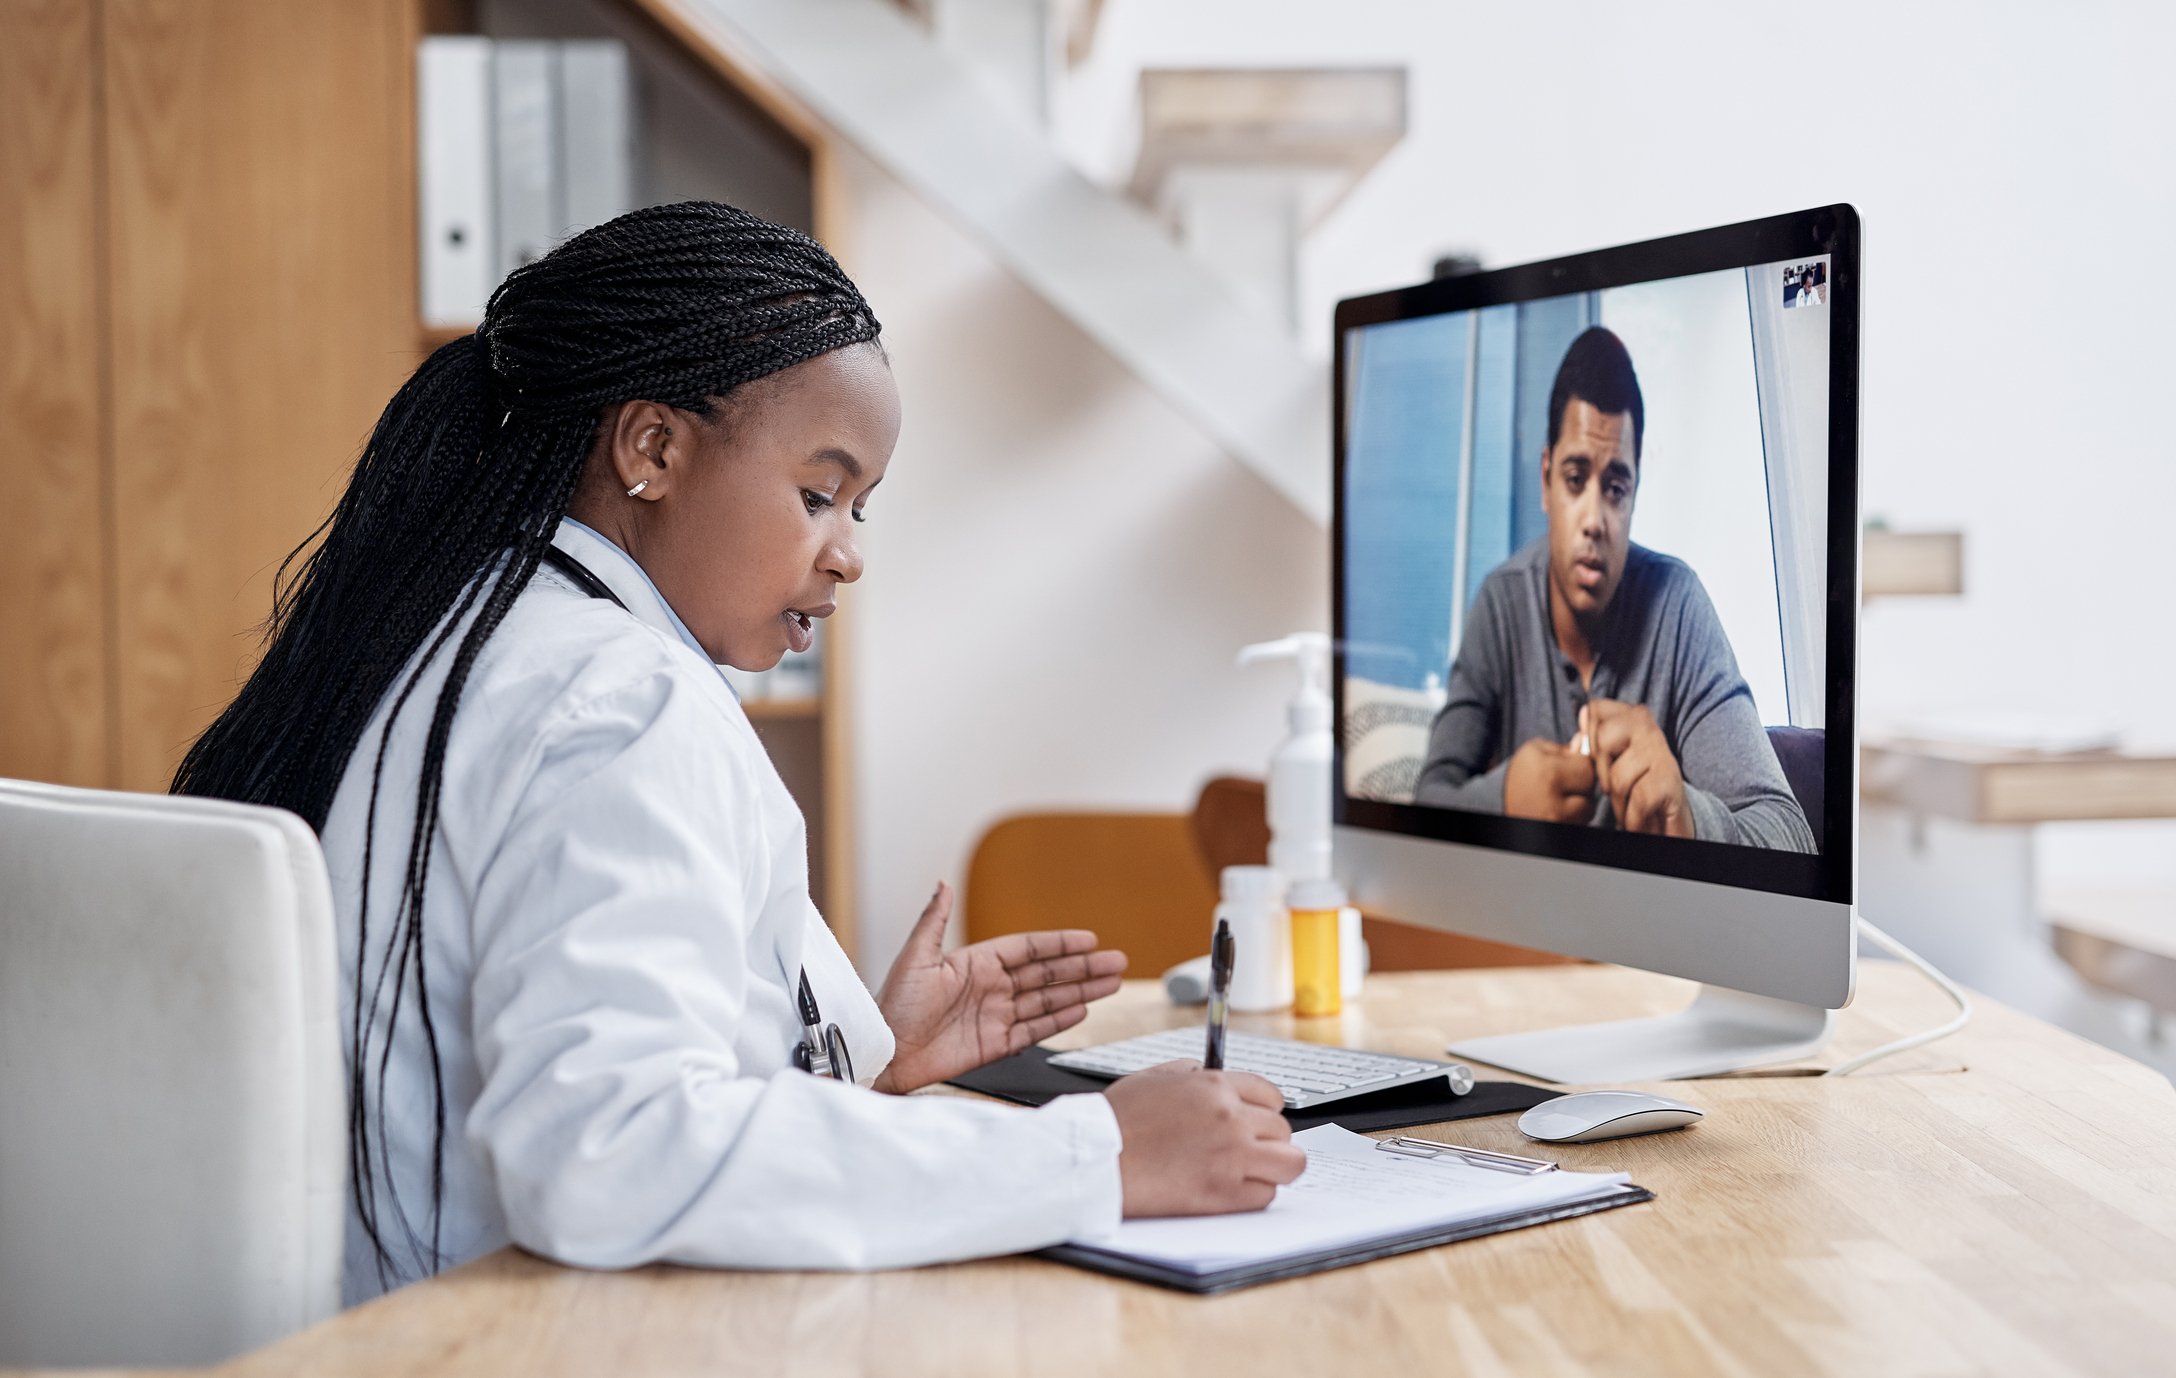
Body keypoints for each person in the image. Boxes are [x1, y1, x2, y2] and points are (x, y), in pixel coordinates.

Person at [173, 202, 1303, 1304]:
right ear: (652, 448)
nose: (849, 554)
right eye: (819, 493)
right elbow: (607, 1151)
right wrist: (1097, 1153)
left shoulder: (476, 631)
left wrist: (865, 1049)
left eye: (861, 507)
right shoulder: (621, 701)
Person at [1413, 326, 1815, 852]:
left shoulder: (1679, 607)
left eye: (1616, 489)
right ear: (1545, 480)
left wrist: (1688, 817)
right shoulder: (1501, 603)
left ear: (1634, 497)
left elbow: (1793, 835)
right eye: (1575, 479)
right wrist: (1504, 799)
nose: (1595, 521)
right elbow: (1424, 806)